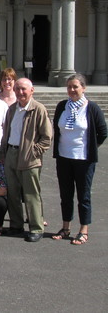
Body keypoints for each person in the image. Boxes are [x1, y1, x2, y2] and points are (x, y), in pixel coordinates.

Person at [51, 74, 107, 245]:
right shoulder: (62, 106)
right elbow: (57, 127)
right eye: (69, 87)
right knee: (65, 194)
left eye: (75, 86)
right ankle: (65, 227)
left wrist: (91, 147)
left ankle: (84, 229)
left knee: (84, 195)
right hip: (64, 157)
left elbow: (103, 132)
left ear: (84, 88)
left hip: (84, 159)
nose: (72, 90)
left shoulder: (92, 108)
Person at [0, 78, 52, 242]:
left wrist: (33, 152)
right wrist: (4, 153)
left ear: (32, 90)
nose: (20, 92)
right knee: (13, 193)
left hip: (29, 158)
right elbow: (6, 132)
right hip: (11, 154)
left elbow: (47, 138)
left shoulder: (38, 109)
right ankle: (16, 225)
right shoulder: (12, 109)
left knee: (31, 194)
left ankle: (36, 228)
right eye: (17, 89)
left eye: (23, 89)